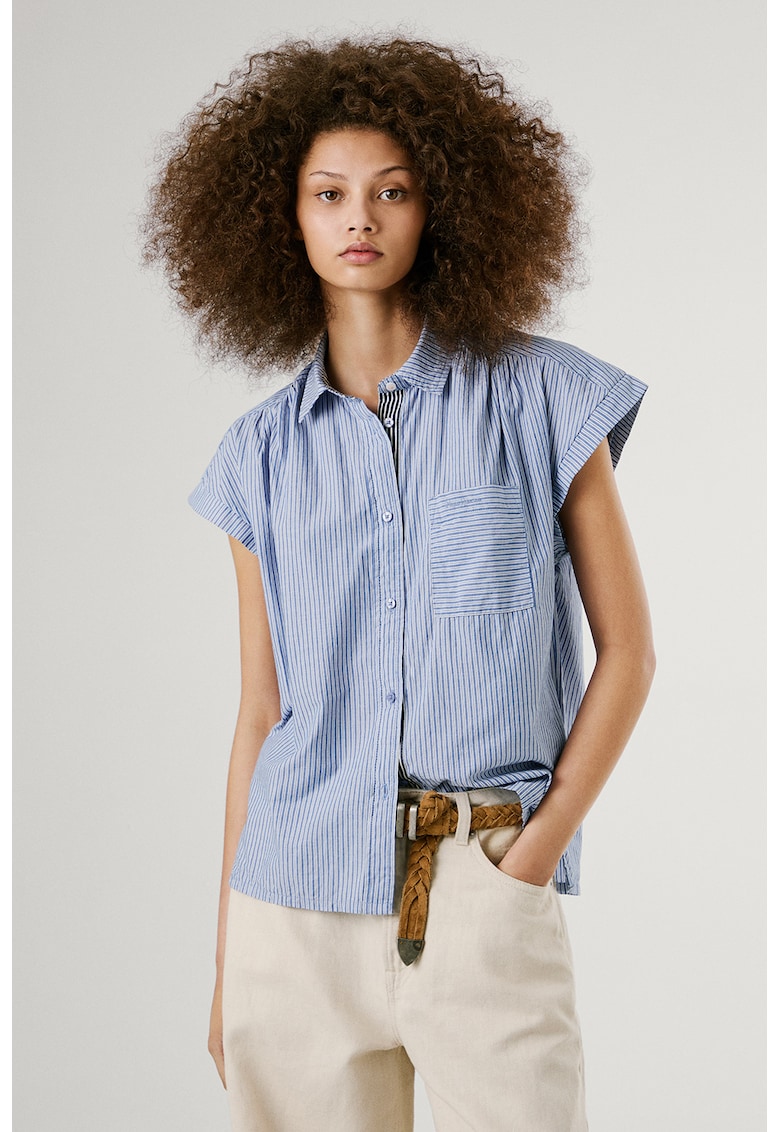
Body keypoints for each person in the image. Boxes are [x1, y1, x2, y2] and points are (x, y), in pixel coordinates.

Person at [144, 35, 655, 1131]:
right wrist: (229, 962)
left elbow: (629, 653)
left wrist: (531, 854)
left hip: (485, 879)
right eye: (328, 193)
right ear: (283, 217)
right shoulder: (257, 455)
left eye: (393, 190)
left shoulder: (540, 397)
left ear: (443, 207)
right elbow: (261, 711)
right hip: (292, 908)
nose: (360, 219)